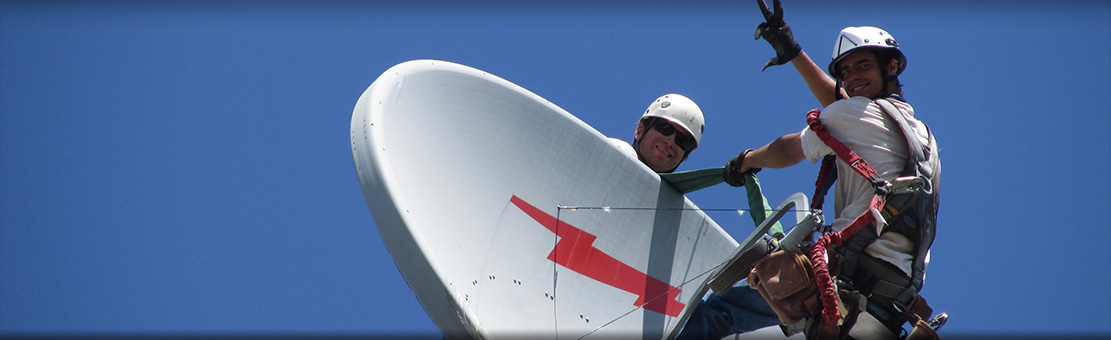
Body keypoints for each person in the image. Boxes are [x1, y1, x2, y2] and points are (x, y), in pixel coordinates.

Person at [720, 0, 942, 338]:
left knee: (719, 313)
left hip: (846, 283)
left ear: (892, 66)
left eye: (863, 67)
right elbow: (846, 107)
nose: (852, 78)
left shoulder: (858, 116)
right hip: (888, 308)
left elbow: (789, 149)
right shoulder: (922, 136)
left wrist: (746, 161)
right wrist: (794, 52)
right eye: (845, 72)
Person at [610, 94, 704, 173]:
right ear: (640, 130)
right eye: (665, 129)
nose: (670, 142)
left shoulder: (669, 194)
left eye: (682, 140)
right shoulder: (616, 151)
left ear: (683, 159)